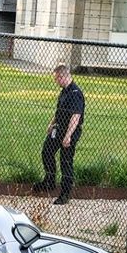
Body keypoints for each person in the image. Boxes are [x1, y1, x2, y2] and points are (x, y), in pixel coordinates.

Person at [38, 63, 84, 205]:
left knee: (65, 161)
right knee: (47, 152)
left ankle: (65, 194)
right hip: (58, 128)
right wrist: (51, 124)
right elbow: (59, 111)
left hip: (70, 131)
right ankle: (49, 181)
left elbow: (75, 117)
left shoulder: (76, 93)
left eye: (56, 79)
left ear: (62, 76)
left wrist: (68, 135)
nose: (55, 81)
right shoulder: (64, 91)